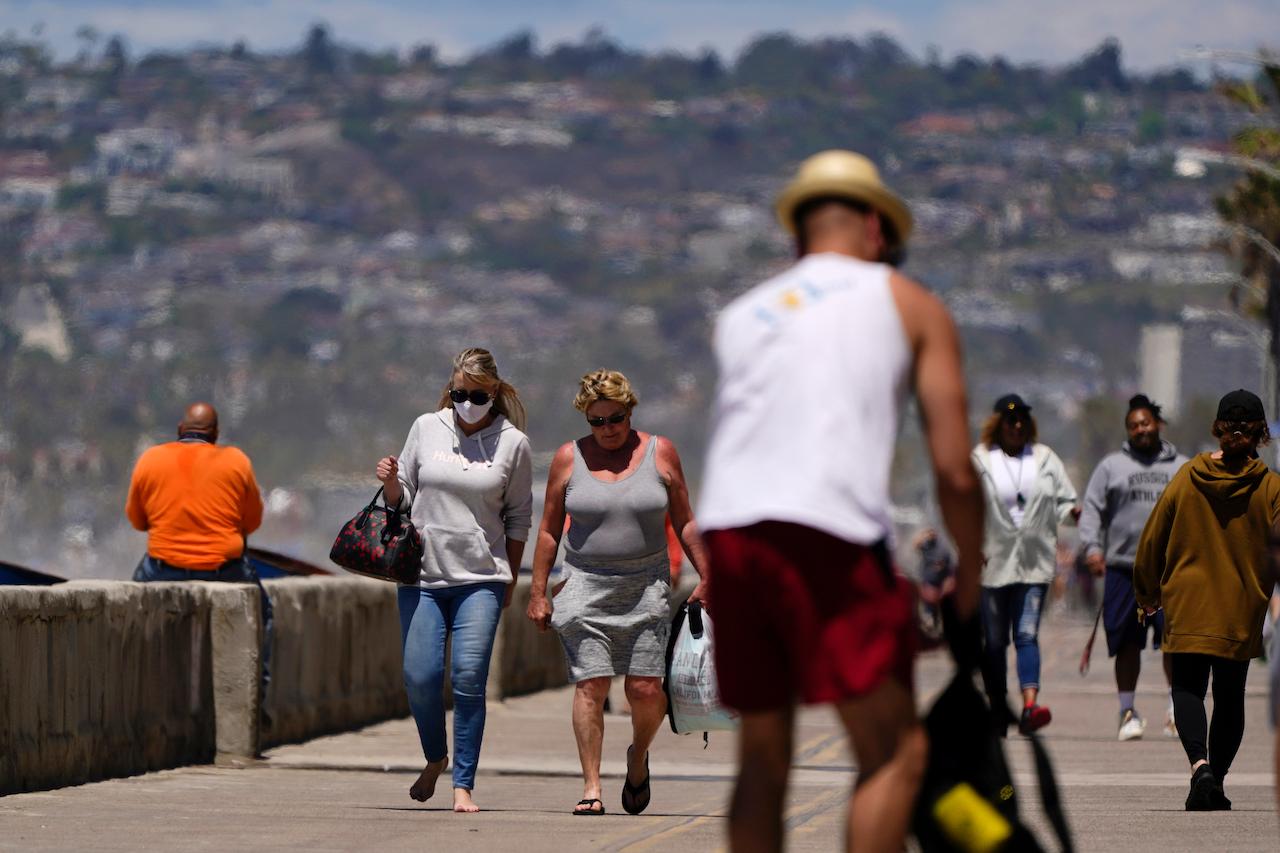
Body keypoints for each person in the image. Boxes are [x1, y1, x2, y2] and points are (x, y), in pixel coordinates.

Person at [697, 149, 984, 853]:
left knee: (763, 752)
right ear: (878, 230)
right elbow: (954, 471)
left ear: (796, 236)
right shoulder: (907, 301)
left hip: (728, 530)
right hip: (827, 529)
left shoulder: (741, 314)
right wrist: (971, 581)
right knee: (892, 749)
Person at [527, 369, 707, 817]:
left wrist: (710, 574)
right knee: (591, 684)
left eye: (615, 418)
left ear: (630, 411)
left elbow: (685, 520)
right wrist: (537, 592)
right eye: (596, 421)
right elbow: (549, 531)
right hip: (585, 583)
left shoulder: (660, 452)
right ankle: (591, 786)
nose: (607, 429)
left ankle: (638, 757)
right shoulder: (569, 458)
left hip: (646, 584)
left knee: (646, 689)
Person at [377, 347, 533, 813]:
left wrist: (509, 577)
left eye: (478, 394)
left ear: (495, 393)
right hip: (422, 576)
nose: (467, 402)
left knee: (468, 678)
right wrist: (389, 481)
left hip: (481, 578)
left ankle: (463, 785)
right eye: (459, 393)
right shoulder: (426, 427)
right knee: (420, 676)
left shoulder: (513, 443)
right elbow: (403, 495)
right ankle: (435, 756)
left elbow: (520, 516)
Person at [1135, 388, 1280, 811]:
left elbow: (1152, 539)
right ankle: (1215, 777)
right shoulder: (1271, 489)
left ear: (1218, 430)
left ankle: (1200, 768)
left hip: (1186, 603)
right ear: (1261, 435)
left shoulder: (1186, 476)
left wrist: (1147, 593)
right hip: (1240, 609)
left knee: (1188, 688)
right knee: (1230, 694)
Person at [127, 402, 272, 692]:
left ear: (180, 429)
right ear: (215, 434)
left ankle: (132, 686)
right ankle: (258, 693)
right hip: (223, 572)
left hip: (161, 570)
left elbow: (137, 520)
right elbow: (252, 522)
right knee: (264, 612)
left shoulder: (150, 459)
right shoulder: (236, 461)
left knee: (129, 610)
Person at [1078, 394, 1188, 741]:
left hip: (1169, 569)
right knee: (1126, 643)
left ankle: (1176, 713)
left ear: (1157, 424)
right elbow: (1092, 509)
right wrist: (1093, 548)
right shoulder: (1111, 466)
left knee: (1174, 641)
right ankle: (1127, 711)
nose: (1141, 429)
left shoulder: (1181, 466)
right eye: (1134, 425)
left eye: (1146, 423)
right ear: (1128, 430)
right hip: (1123, 568)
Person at [971, 394, 1079, 736]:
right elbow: (964, 505)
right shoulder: (980, 460)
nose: (1016, 426)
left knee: (1027, 634)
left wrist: (1074, 513)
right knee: (994, 640)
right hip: (993, 563)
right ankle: (998, 707)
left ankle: (1030, 706)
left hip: (1034, 564)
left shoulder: (1045, 458)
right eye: (1009, 420)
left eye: (1021, 421)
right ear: (998, 424)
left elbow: (1065, 501)